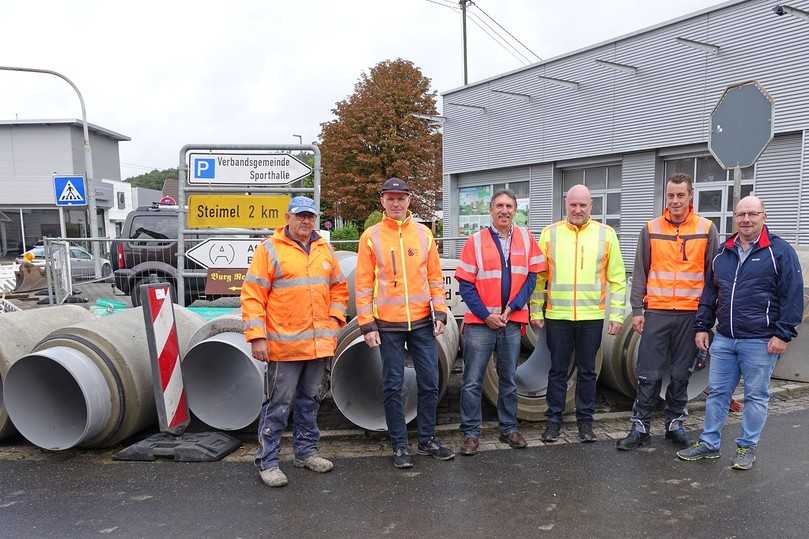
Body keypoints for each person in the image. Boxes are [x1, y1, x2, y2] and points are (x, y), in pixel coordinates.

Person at [677, 196, 803, 470]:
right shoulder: (723, 252)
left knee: (755, 396)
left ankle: (746, 447)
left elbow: (793, 296)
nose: (746, 219)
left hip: (760, 341)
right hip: (724, 339)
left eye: (752, 214)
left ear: (763, 216)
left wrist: (783, 334)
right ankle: (709, 444)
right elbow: (710, 293)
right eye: (741, 214)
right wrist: (702, 326)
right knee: (717, 394)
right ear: (735, 217)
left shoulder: (780, 252)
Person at [241, 196, 349, 487]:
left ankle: (306, 451)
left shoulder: (324, 249)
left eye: (310, 216)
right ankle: (268, 461)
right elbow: (253, 296)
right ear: (288, 217)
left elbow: (339, 289)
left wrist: (335, 321)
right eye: (300, 215)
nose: (305, 221)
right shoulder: (270, 249)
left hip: (318, 345)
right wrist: (257, 337)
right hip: (284, 347)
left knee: (310, 401)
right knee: (278, 404)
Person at [355, 177, 453, 468]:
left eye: (401, 198)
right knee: (393, 385)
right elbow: (363, 284)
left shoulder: (423, 234)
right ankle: (399, 445)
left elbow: (435, 278)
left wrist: (440, 312)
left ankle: (426, 439)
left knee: (430, 382)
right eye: (390, 198)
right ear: (382, 201)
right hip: (388, 325)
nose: (396, 203)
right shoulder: (371, 236)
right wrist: (367, 324)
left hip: (422, 322)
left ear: (409, 200)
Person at [617, 174, 719, 450]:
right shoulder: (651, 228)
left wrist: (707, 318)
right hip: (657, 313)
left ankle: (675, 424)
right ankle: (640, 427)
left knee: (681, 373)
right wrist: (637, 309)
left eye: (680, 195)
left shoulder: (706, 229)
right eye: (670, 195)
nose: (675, 201)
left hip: (690, 314)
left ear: (690, 196)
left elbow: (713, 277)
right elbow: (640, 270)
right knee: (647, 372)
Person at [529, 184, 626, 443]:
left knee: (587, 372)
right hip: (558, 316)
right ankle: (553, 421)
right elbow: (539, 277)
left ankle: (586, 423)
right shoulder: (550, 234)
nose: (578, 209)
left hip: (591, 316)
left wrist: (617, 316)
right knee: (557, 371)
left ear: (591, 206)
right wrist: (536, 310)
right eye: (573, 204)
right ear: (566, 204)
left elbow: (618, 279)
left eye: (583, 205)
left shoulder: (606, 234)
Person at [455, 189, 545, 456]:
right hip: (480, 324)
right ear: (490, 210)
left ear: (515, 210)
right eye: (499, 206)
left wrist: (513, 307)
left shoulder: (526, 238)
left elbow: (532, 278)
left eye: (509, 206)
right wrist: (486, 315)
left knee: (509, 379)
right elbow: (466, 285)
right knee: (472, 381)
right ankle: (471, 434)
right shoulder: (475, 241)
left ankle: (509, 429)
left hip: (511, 322)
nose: (504, 210)